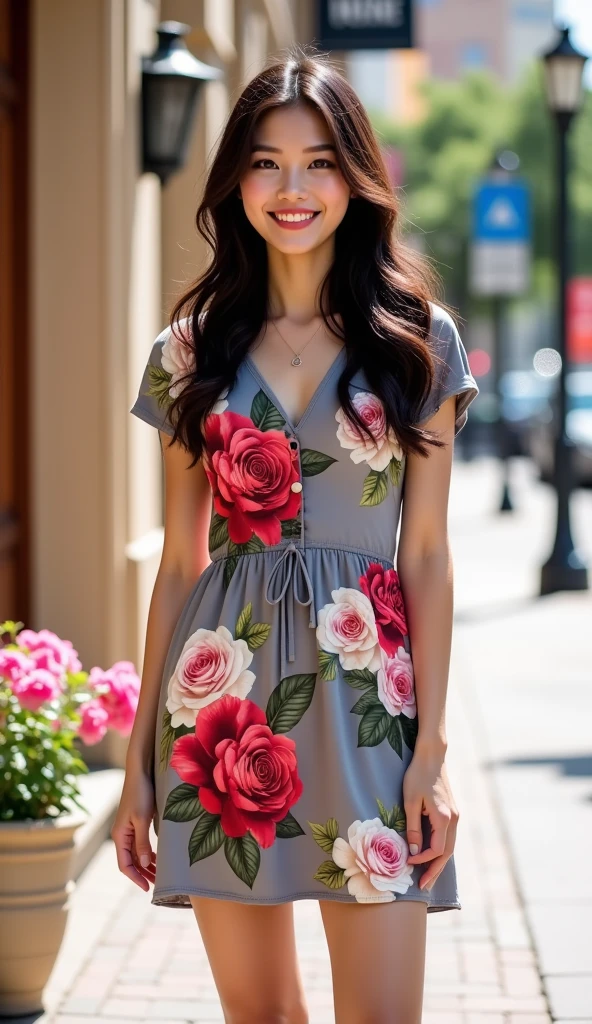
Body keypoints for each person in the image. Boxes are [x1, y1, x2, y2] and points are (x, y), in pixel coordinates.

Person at [112, 45, 479, 1024]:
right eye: (266, 162)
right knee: (262, 1018)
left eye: (317, 160)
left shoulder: (417, 342)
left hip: (368, 713)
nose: (291, 187)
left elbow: (429, 556)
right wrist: (142, 756)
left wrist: (429, 751)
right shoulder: (187, 352)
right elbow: (184, 560)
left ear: (355, 175)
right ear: (235, 178)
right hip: (222, 716)